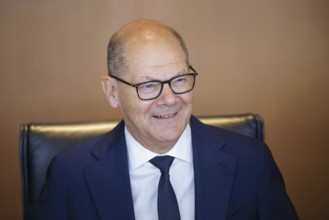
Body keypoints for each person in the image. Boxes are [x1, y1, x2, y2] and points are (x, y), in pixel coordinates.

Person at [25, 19, 299, 220]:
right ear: (112, 92)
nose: (169, 99)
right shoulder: (70, 173)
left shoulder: (252, 161)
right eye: (148, 85)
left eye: (179, 80)